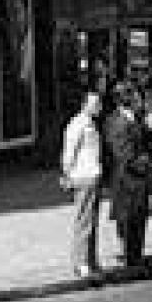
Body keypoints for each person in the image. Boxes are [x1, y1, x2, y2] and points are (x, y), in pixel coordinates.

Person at [106, 85, 152, 278]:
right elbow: (124, 154)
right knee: (129, 221)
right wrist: (147, 163)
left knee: (139, 218)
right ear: (126, 100)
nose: (140, 102)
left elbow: (143, 139)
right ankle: (130, 260)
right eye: (136, 98)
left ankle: (137, 257)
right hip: (127, 181)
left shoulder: (133, 119)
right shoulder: (117, 122)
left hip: (138, 180)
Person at [60, 90, 106, 284]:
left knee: (92, 220)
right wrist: (67, 173)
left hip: (92, 175)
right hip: (82, 176)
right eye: (94, 103)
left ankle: (91, 259)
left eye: (99, 103)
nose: (98, 107)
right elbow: (69, 151)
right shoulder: (77, 124)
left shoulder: (91, 124)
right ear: (84, 104)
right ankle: (81, 262)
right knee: (83, 221)